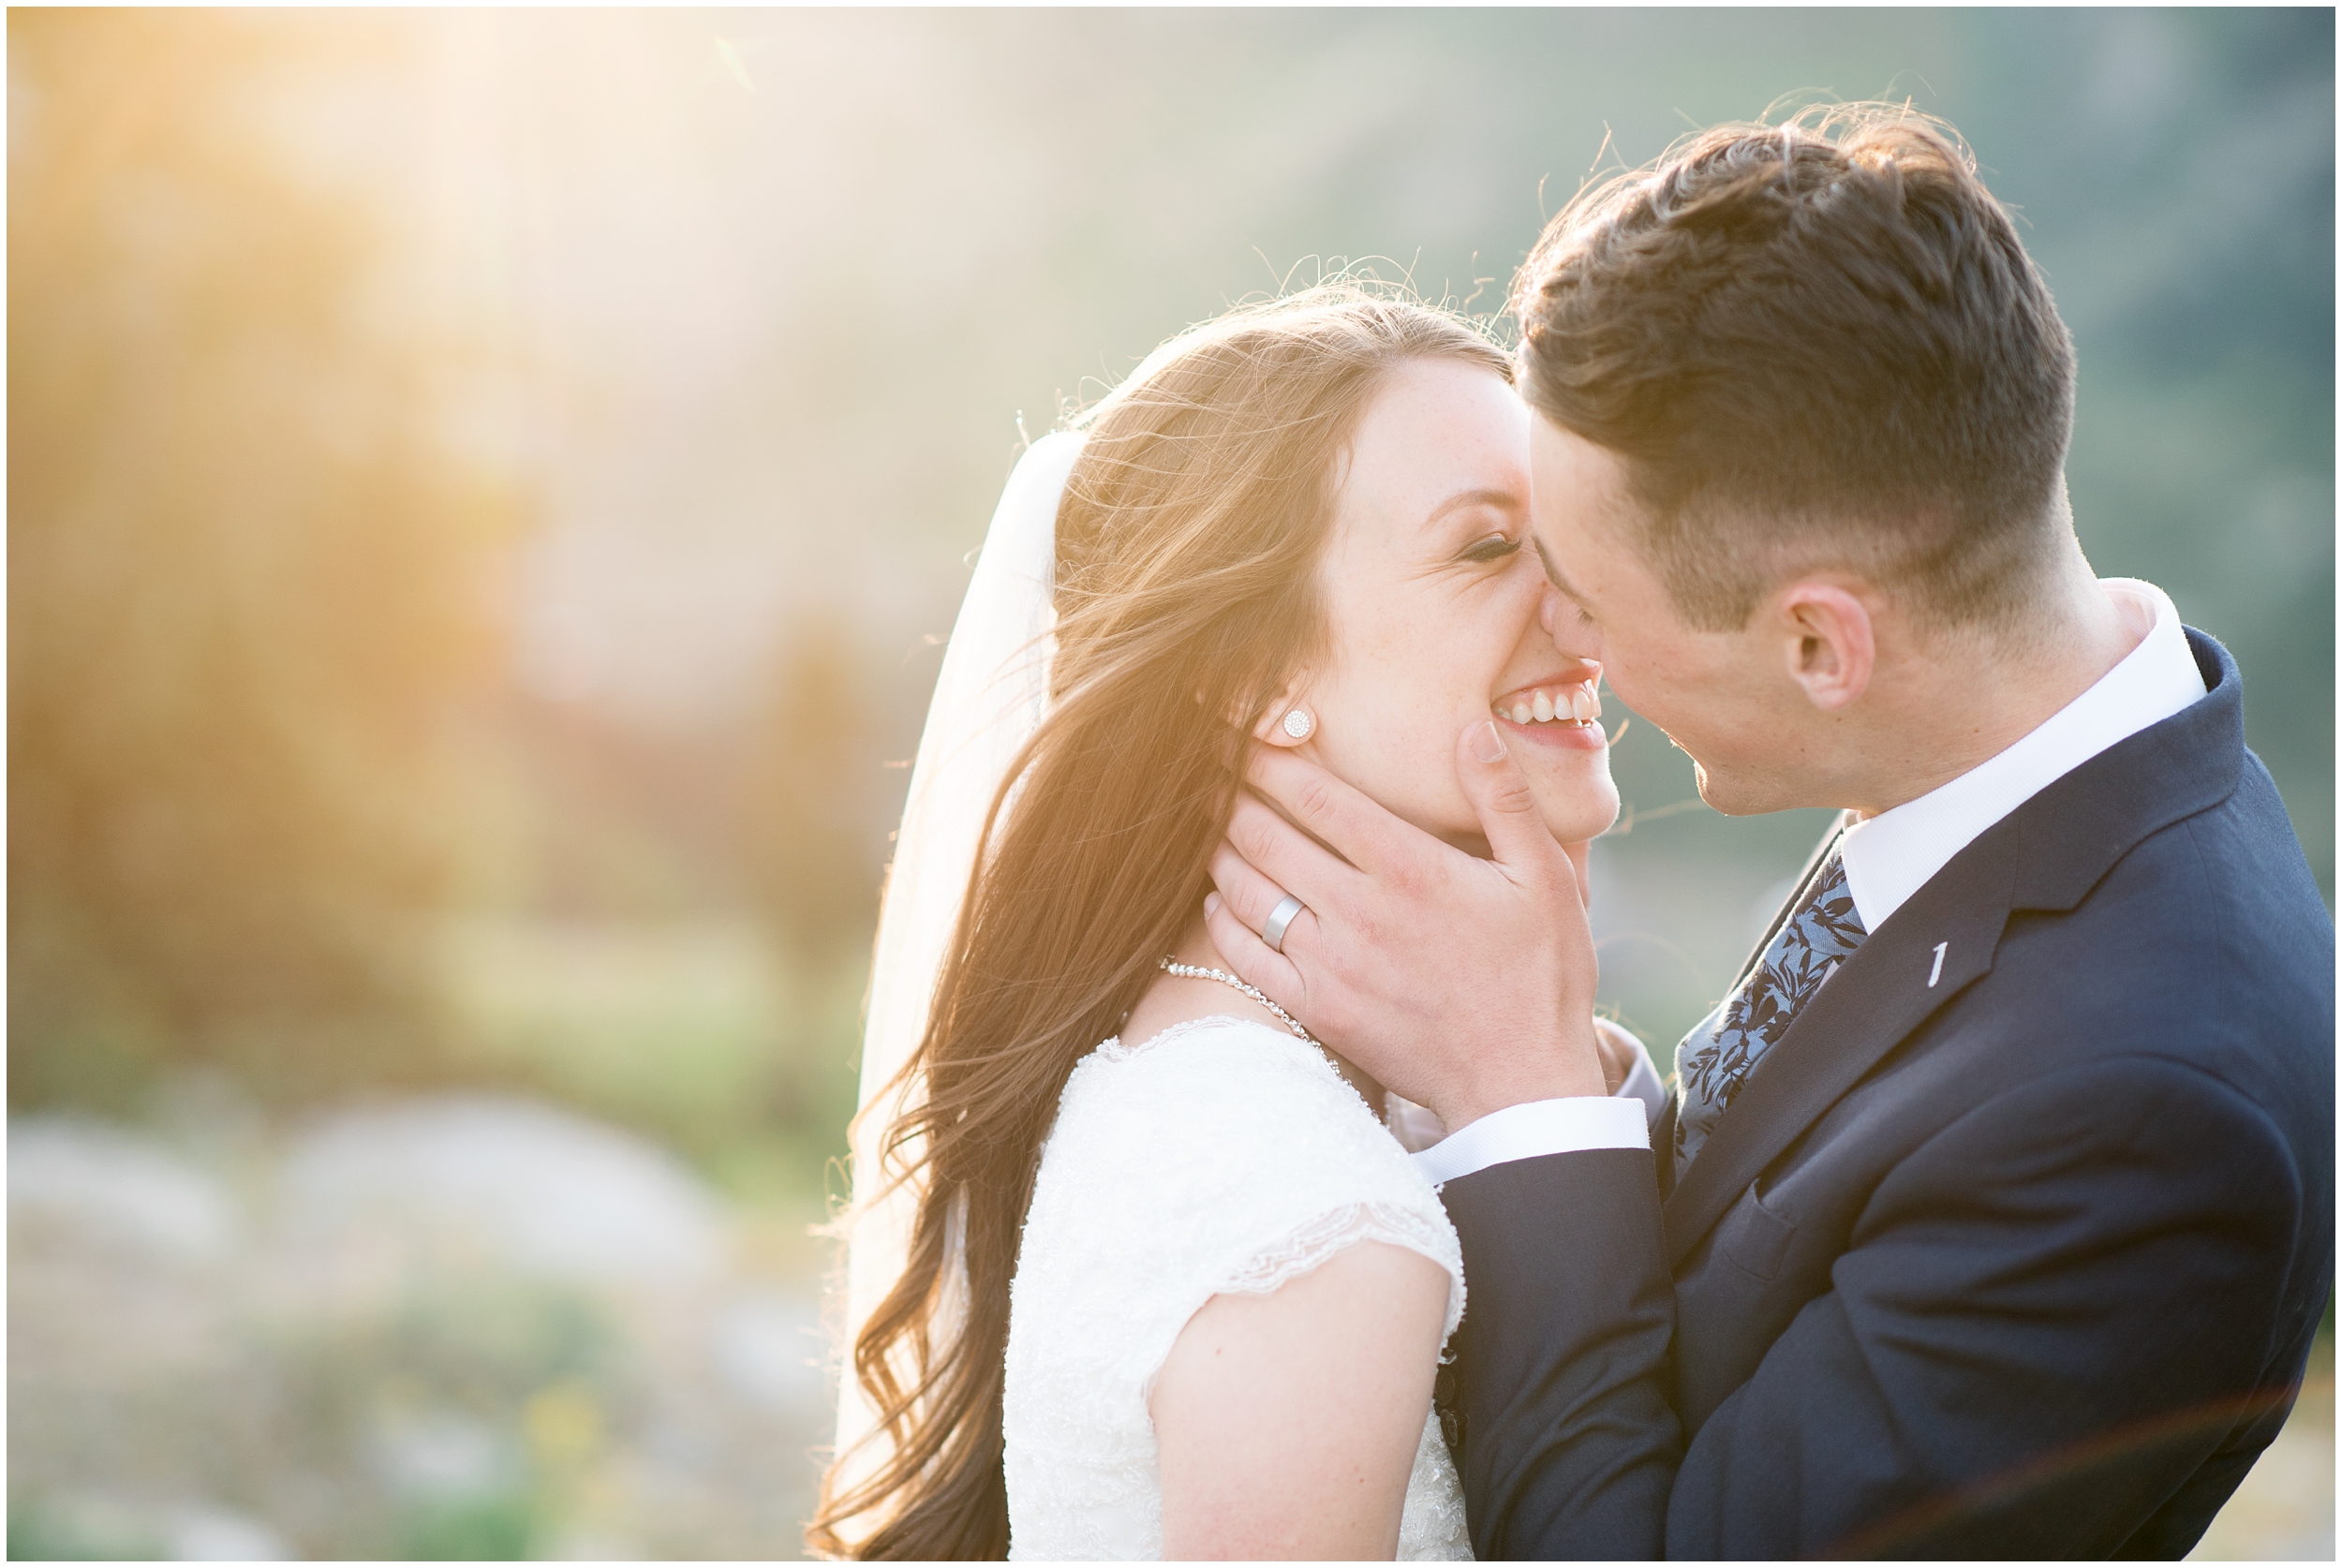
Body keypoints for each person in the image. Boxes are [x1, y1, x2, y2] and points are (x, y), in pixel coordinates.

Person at [1204, 107, 2335, 1558]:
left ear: (1818, 644)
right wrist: (1576, 1082)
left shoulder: (2145, 1118)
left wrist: (1520, 1094)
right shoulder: (2015, 764)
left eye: (1591, 598)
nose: (1565, 638)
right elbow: (1776, 1237)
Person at [810, 285, 1644, 1560]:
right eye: (1485, 548)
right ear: (1252, 678)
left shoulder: (1197, 1075)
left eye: (1570, 535)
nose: (1585, 606)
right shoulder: (1310, 1218)